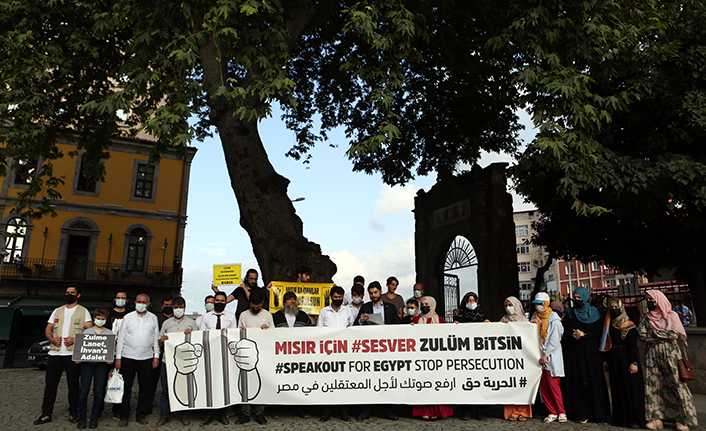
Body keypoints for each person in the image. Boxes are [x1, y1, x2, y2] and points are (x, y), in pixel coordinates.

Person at [34, 285, 93, 425]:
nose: (69, 294)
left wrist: (75, 339)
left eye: (72, 293)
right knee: (50, 385)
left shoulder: (83, 311)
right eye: (67, 292)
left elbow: (90, 331)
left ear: (78, 295)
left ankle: (74, 413)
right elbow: (48, 328)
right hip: (55, 353)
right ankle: (46, 413)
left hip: (72, 354)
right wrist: (51, 339)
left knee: (73, 385)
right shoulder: (57, 311)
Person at [639, 290, 697, 431]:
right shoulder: (645, 317)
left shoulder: (671, 315)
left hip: (671, 354)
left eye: (651, 299)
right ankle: (656, 418)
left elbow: (673, 334)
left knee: (676, 383)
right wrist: (661, 335)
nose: (649, 303)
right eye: (647, 299)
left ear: (658, 300)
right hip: (652, 354)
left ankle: (683, 419)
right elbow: (641, 334)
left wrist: (652, 333)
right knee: (653, 385)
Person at [562, 286, 610, 423]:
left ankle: (597, 412)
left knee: (593, 380)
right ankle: (579, 411)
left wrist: (585, 334)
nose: (577, 300)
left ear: (585, 297)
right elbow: (563, 331)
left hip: (591, 353)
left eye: (579, 298)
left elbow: (599, 332)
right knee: (576, 380)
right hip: (574, 352)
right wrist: (573, 334)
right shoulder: (570, 312)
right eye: (575, 297)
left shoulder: (594, 313)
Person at [354, 282, 399, 421]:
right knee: (369, 379)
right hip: (370, 349)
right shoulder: (365, 307)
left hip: (387, 349)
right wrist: (361, 320)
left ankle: (387, 409)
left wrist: (388, 327)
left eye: (375, 292)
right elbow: (356, 325)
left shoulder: (390, 307)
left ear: (380, 292)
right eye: (371, 293)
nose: (373, 295)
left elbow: (399, 325)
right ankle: (366, 409)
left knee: (386, 379)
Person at [114, 293, 160, 427]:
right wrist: (118, 357)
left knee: (145, 388)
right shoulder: (127, 318)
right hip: (128, 357)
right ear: (135, 303)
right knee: (126, 388)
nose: (141, 304)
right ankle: (124, 415)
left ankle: (141, 413)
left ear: (148, 304)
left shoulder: (153, 318)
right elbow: (121, 338)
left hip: (146, 357)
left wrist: (156, 356)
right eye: (139, 301)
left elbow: (155, 338)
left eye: (144, 302)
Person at [602, 298, 645, 429]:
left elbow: (633, 346)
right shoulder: (608, 324)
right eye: (611, 307)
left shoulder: (629, 325)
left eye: (616, 307)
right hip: (614, 361)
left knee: (631, 390)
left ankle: (635, 419)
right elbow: (605, 342)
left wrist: (634, 362)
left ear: (621, 308)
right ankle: (620, 418)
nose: (613, 309)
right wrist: (605, 359)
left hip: (627, 360)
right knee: (617, 389)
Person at [157, 297, 198, 426]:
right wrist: (162, 340)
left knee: (184, 388)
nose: (178, 309)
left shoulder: (191, 323)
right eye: (176, 307)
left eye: (180, 307)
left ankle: (184, 414)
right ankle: (164, 415)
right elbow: (158, 341)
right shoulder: (166, 323)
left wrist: (191, 334)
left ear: (185, 307)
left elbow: (197, 341)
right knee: (165, 389)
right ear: (172, 308)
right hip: (167, 360)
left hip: (184, 361)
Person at [411, 296, 453, 420]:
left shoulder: (439, 319)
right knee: (423, 384)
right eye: (422, 303)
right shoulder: (417, 319)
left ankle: (437, 411)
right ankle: (424, 410)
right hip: (421, 357)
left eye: (426, 304)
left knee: (436, 384)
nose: (424, 306)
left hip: (436, 357)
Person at [197, 291, 236, 426]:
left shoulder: (231, 317)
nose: (219, 303)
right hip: (210, 354)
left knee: (224, 385)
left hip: (224, 355)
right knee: (209, 385)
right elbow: (201, 335)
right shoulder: (206, 317)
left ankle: (222, 414)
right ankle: (209, 414)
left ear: (226, 302)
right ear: (214, 301)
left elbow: (234, 336)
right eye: (217, 300)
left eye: (222, 301)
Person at [236, 289, 273, 425]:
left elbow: (273, 335)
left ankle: (260, 413)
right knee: (245, 384)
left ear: (262, 303)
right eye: (253, 306)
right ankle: (245, 414)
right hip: (246, 355)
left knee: (261, 384)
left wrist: (267, 329)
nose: (255, 309)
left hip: (262, 355)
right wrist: (241, 331)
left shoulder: (268, 315)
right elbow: (237, 333)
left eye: (258, 307)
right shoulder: (243, 315)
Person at [317, 286, 352, 422]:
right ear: (331, 297)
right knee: (328, 382)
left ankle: (343, 411)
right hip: (328, 353)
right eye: (335, 297)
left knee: (343, 382)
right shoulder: (324, 312)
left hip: (344, 352)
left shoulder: (347, 311)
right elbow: (319, 331)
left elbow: (352, 328)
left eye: (340, 297)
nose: (338, 299)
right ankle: (327, 411)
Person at [531, 292, 567, 424]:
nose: (539, 307)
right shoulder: (535, 316)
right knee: (543, 385)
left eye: (541, 304)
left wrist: (546, 355)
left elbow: (554, 340)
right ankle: (551, 411)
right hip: (539, 355)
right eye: (537, 304)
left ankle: (561, 411)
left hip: (550, 356)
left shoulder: (554, 319)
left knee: (553, 385)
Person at [76, 307, 113, 429]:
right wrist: (78, 356)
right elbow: (82, 347)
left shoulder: (109, 333)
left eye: (103, 319)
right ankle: (82, 417)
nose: (100, 320)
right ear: (94, 318)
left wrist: (110, 358)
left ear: (106, 320)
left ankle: (94, 417)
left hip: (101, 365)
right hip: (87, 364)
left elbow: (110, 350)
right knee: (83, 391)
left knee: (98, 391)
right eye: (98, 318)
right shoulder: (87, 332)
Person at [500, 296, 532, 421]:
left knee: (522, 384)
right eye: (507, 305)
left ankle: (523, 411)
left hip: (522, 358)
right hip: (508, 358)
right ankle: (511, 411)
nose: (509, 308)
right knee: (510, 384)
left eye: (511, 305)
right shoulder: (504, 319)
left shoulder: (525, 320)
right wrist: (503, 327)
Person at [106, 290, 129, 420]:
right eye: (118, 297)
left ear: (127, 300)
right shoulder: (109, 313)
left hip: (124, 351)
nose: (120, 299)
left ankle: (118, 409)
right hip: (109, 351)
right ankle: (100, 408)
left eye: (123, 298)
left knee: (121, 380)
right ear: (115, 299)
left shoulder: (129, 315)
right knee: (104, 380)